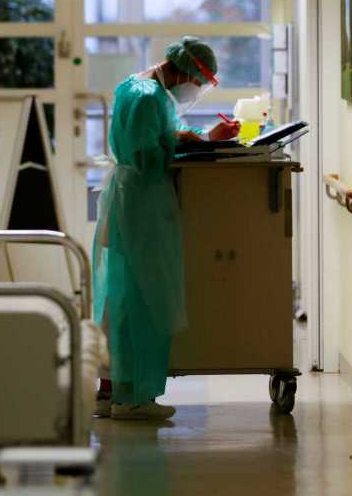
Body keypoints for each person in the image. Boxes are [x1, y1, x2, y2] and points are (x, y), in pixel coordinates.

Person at [92, 36, 240, 421]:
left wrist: (198, 138)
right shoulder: (148, 97)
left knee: (120, 298)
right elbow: (148, 154)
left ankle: (109, 390)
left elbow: (156, 137)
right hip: (141, 203)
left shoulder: (136, 86)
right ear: (185, 70)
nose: (195, 88)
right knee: (142, 299)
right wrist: (191, 143)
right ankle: (133, 397)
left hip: (128, 200)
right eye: (198, 81)